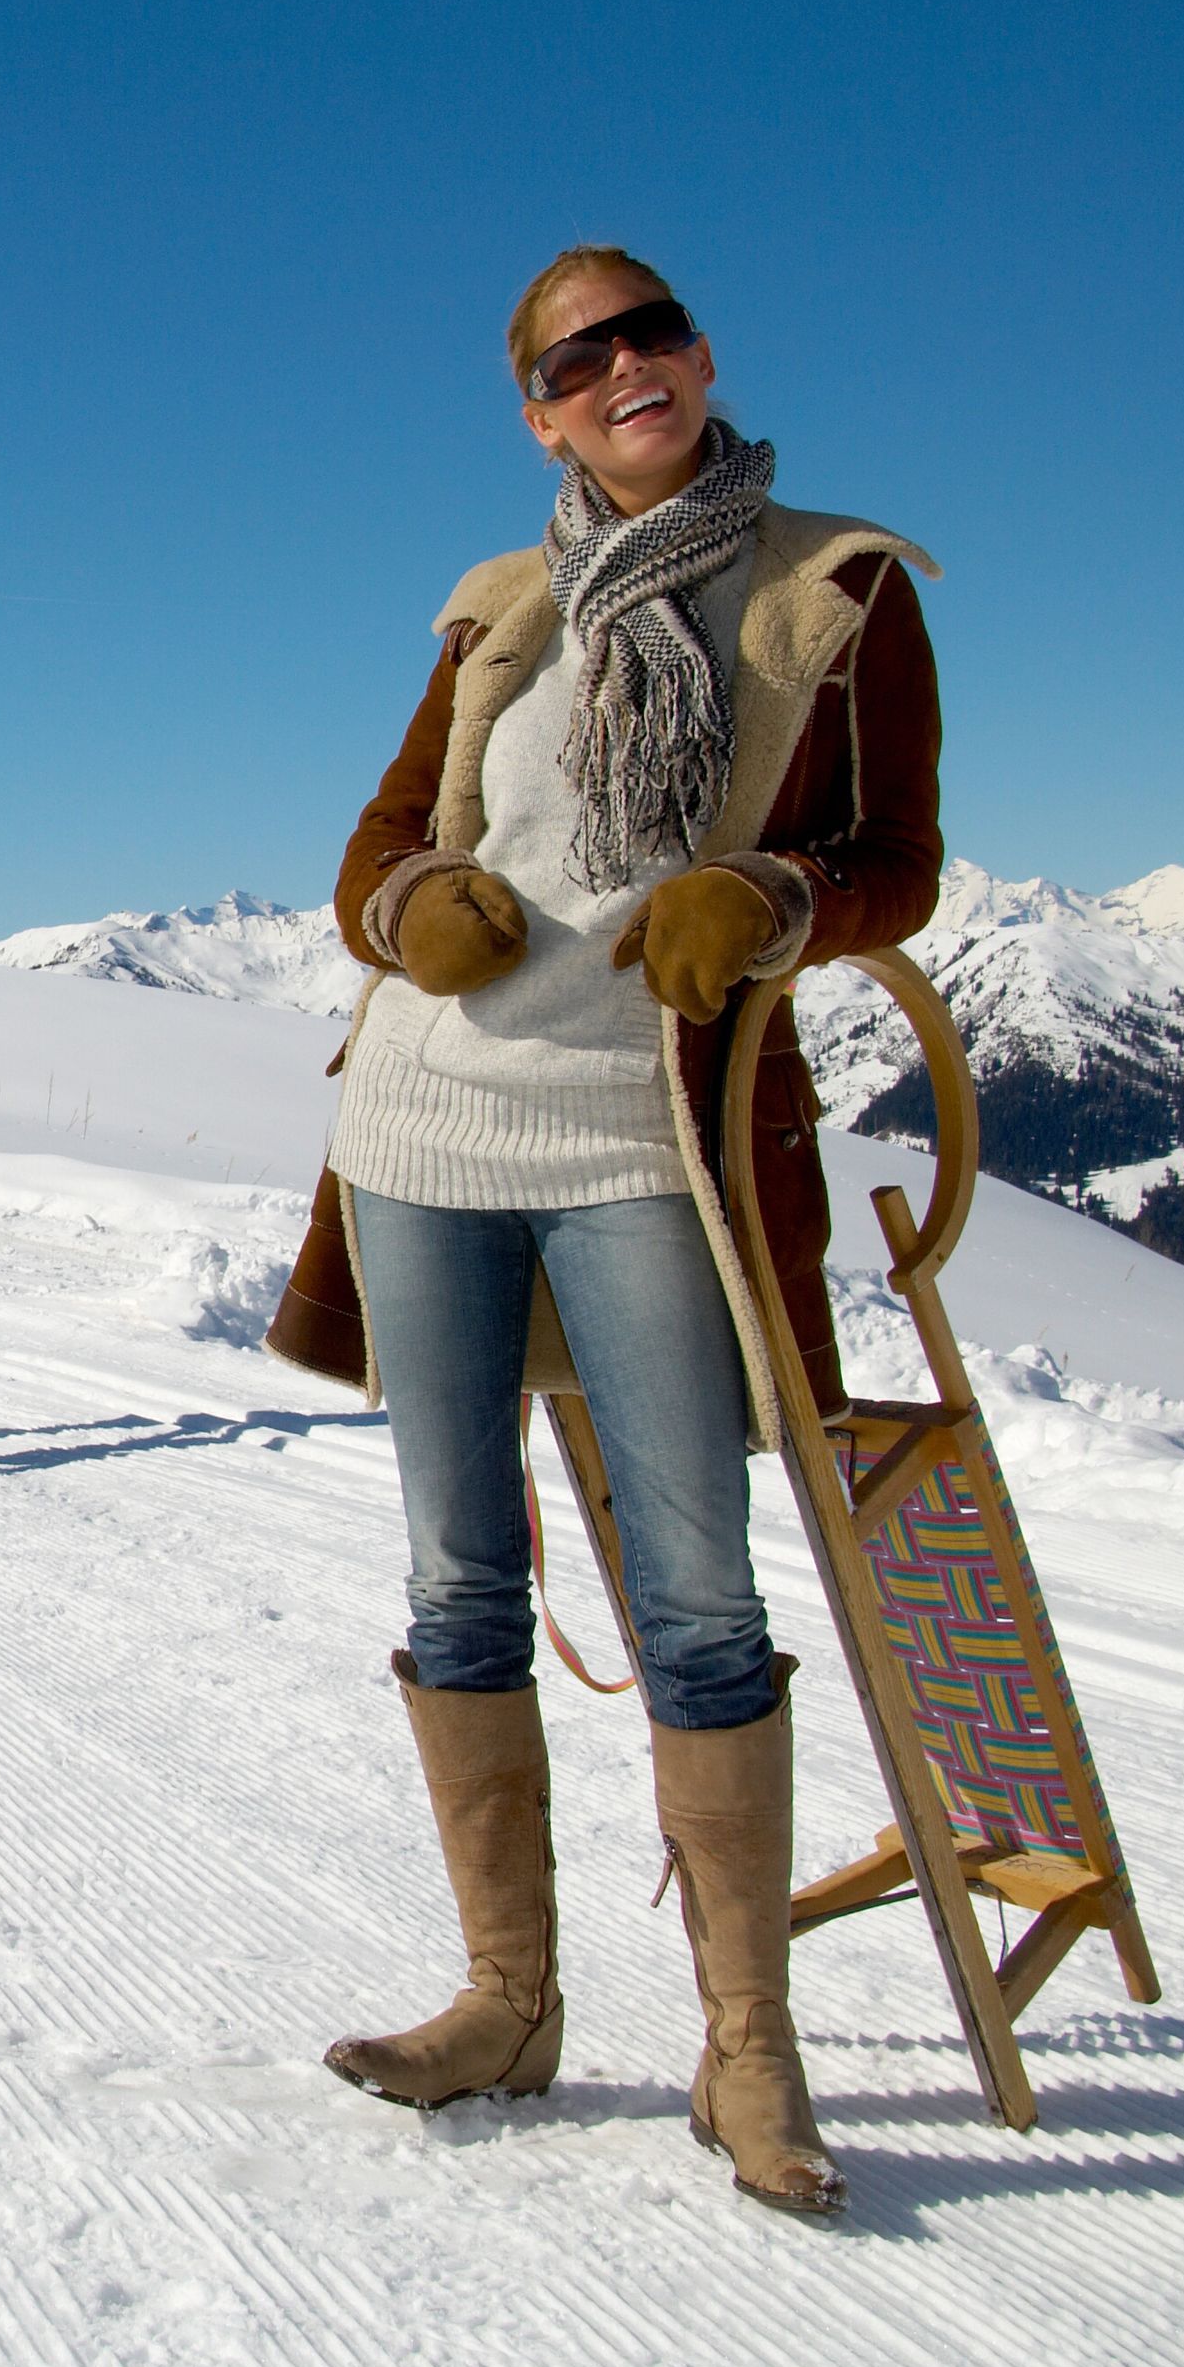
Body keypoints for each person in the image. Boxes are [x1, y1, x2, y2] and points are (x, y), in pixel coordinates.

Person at [308, 247, 943, 2218]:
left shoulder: (838, 586)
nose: (621, 371)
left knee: (697, 1599)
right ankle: (510, 2004)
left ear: (703, 352)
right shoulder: (500, 606)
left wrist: (763, 897)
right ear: (537, 411)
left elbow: (896, 862)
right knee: (459, 1576)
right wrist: (412, 913)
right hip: (422, 1128)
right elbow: (380, 850)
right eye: (575, 361)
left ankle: (750, 2048)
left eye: (646, 334)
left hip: (650, 1141)